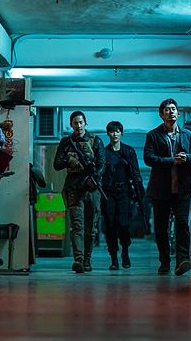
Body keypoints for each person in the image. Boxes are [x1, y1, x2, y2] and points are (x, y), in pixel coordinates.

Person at [144, 98, 191, 276]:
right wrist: (171, 160)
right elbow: (148, 158)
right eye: (167, 110)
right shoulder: (153, 135)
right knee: (161, 228)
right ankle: (164, 261)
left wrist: (187, 157)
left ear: (178, 112)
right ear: (161, 115)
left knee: (182, 223)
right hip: (161, 189)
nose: (171, 112)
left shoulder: (188, 135)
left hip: (182, 188)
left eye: (173, 109)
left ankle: (183, 260)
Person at [53, 111, 105, 273]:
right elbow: (57, 164)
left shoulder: (95, 141)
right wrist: (70, 159)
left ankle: (87, 259)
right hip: (74, 188)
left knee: (91, 229)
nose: (78, 125)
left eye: (81, 122)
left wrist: (94, 177)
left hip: (92, 188)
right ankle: (79, 260)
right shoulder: (66, 142)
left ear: (85, 123)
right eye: (75, 123)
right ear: (71, 124)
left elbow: (102, 164)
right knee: (77, 226)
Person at [101, 121, 145, 270]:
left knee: (123, 224)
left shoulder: (129, 151)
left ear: (121, 133)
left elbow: (136, 173)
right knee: (110, 225)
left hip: (125, 192)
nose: (115, 134)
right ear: (108, 133)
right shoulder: (104, 152)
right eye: (112, 131)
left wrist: (140, 194)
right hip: (108, 192)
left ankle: (125, 251)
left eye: (117, 131)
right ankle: (114, 258)